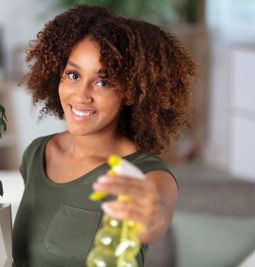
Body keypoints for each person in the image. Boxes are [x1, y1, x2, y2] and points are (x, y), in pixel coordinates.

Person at [12, 4, 197, 267]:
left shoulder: (144, 173)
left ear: (133, 92)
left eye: (103, 82)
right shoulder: (38, 153)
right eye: (73, 75)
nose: (81, 95)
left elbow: (156, 216)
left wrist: (152, 216)